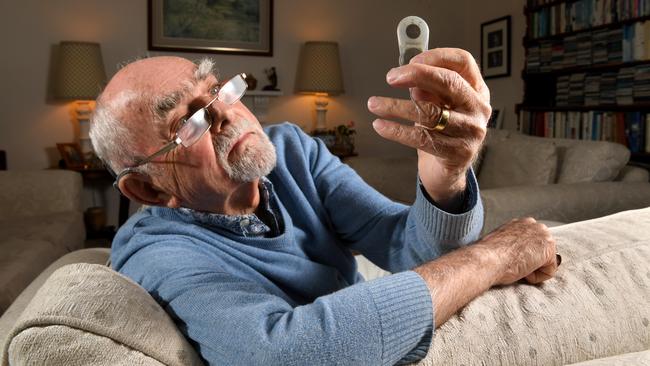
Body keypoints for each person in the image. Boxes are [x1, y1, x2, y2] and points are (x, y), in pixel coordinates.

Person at [89, 48, 558, 365]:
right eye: (189, 120)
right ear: (148, 191)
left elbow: (403, 244)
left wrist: (446, 168)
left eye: (219, 90)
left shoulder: (292, 151)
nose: (227, 114)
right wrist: (492, 256)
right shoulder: (152, 251)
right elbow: (288, 352)